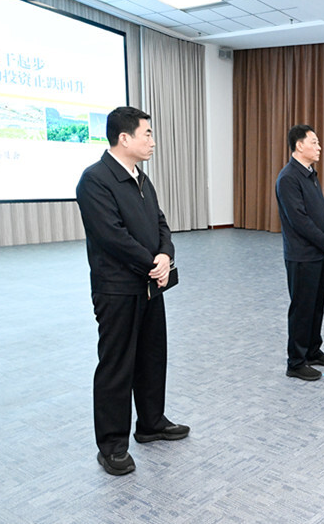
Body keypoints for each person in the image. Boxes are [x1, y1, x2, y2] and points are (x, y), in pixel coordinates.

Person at [75, 106, 189, 476]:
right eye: (147, 134)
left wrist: (165, 255)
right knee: (117, 365)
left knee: (152, 356)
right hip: (117, 289)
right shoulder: (95, 180)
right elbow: (111, 236)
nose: (152, 141)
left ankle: (151, 423)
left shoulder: (141, 178)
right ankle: (111, 446)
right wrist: (152, 263)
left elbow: (160, 223)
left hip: (150, 284)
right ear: (124, 138)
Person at [276, 124, 324, 382]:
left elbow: (320, 211)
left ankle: (313, 350)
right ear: (299, 145)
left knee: (315, 305)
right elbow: (299, 220)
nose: (319, 147)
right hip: (301, 255)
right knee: (302, 308)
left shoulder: (309, 174)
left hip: (316, 253)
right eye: (314, 142)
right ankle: (296, 362)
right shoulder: (288, 178)